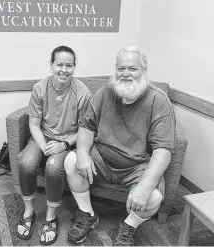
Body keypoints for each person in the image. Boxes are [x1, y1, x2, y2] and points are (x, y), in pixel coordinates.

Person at [64, 46, 176, 246]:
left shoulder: (158, 100)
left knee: (154, 197)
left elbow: (163, 151)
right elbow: (86, 126)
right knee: (71, 161)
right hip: (102, 157)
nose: (125, 74)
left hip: (137, 165)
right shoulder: (104, 92)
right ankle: (87, 214)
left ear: (144, 70)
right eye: (121, 68)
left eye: (132, 69)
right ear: (115, 70)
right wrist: (82, 153)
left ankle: (128, 226)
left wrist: (145, 186)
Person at [16, 45, 92, 245]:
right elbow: (33, 124)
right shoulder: (40, 88)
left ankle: (51, 217)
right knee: (26, 161)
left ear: (74, 67)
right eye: (59, 64)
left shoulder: (82, 92)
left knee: (53, 166)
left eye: (69, 65)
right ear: (51, 65)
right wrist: (43, 146)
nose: (64, 70)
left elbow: (85, 130)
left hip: (67, 141)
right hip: (42, 136)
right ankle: (29, 211)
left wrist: (64, 144)